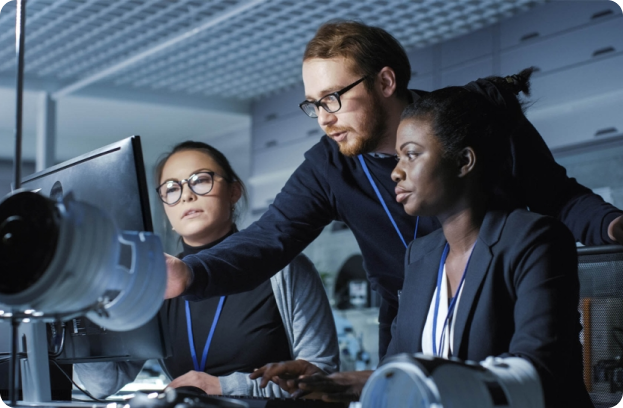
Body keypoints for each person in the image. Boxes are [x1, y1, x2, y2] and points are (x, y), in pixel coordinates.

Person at [165, 21, 623, 358]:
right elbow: (268, 241)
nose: (323, 118)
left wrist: (611, 224)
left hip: (497, 315)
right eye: (313, 104)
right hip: (406, 330)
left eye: (333, 98)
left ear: (385, 81)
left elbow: (557, 196)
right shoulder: (328, 165)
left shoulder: (466, 121)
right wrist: (190, 274)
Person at [250, 69, 594, 408]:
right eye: (397, 157)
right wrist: (340, 382)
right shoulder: (422, 256)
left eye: (411, 154)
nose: (396, 171)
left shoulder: (535, 240)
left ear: (463, 161)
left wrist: (400, 378)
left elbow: (535, 373)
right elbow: (402, 367)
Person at [74, 141, 338, 398]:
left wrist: (224, 387)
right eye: (171, 188)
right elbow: (102, 385)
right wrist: (77, 303)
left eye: (200, 180)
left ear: (234, 192)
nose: (187, 195)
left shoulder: (286, 269)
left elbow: (321, 377)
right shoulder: (158, 280)